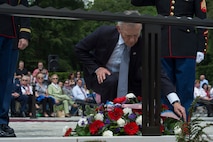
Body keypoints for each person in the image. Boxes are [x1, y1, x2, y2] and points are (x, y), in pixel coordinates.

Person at [75, 10, 186, 121]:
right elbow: (79, 49)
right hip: (101, 78)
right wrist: (96, 68)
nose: (132, 40)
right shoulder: (103, 33)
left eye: (136, 35)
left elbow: (158, 72)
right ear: (119, 29)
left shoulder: (143, 43)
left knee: (146, 78)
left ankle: (143, 118)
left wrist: (175, 102)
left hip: (129, 79)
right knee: (113, 80)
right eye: (128, 36)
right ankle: (106, 117)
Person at [131, 0, 208, 116]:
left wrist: (201, 47)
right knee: (164, 87)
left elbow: (202, 20)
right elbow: (136, 2)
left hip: (185, 44)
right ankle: (166, 121)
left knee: (185, 89)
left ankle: (184, 124)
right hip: (163, 43)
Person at [0, 0, 31, 137]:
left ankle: (1, 122)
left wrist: (24, 34)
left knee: (6, 81)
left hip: (11, 34)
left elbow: (23, 6)